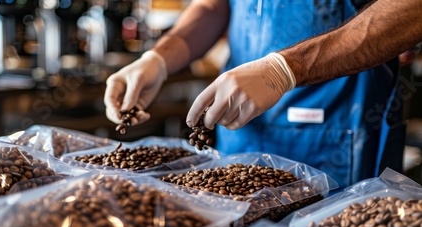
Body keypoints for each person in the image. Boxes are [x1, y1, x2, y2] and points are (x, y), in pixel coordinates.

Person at [104, 0, 422, 188]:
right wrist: (158, 59)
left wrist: (285, 69)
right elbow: (214, 6)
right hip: (241, 131)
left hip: (342, 128)